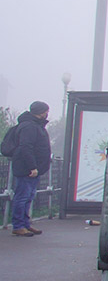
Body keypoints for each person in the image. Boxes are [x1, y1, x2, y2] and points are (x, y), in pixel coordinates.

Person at [9, 101, 52, 237]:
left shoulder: (33, 125)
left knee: (28, 196)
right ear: (40, 112)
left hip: (32, 168)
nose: (47, 114)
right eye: (45, 111)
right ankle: (18, 225)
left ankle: (25, 224)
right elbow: (25, 147)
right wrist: (32, 167)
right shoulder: (29, 127)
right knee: (22, 196)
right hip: (27, 168)